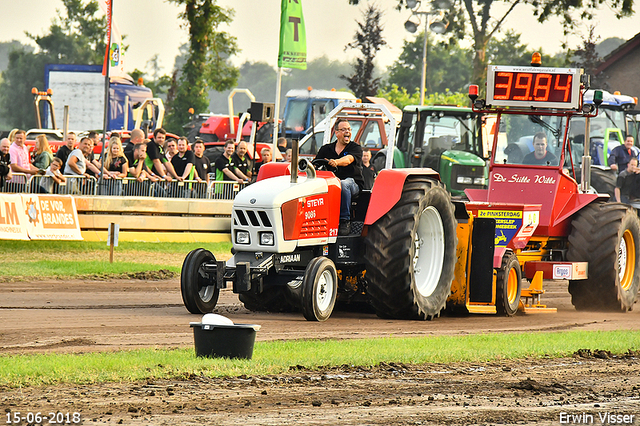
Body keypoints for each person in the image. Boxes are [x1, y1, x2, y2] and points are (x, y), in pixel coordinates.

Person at [314, 118, 364, 236]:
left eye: (349, 129)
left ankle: (344, 221)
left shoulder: (354, 148)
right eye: (343, 129)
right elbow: (315, 164)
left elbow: (348, 160)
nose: (347, 132)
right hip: (330, 183)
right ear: (336, 133)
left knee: (343, 184)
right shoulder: (326, 149)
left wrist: (336, 162)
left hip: (352, 184)